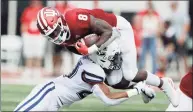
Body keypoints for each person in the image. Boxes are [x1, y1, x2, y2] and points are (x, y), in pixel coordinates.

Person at [36, 7, 179, 107]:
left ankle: (163, 83)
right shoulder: (66, 42)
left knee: (130, 73)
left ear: (60, 20)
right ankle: (141, 86)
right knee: (113, 80)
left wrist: (91, 49)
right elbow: (86, 51)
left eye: (56, 31)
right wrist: (101, 58)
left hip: (118, 29)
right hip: (102, 42)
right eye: (51, 35)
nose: (56, 36)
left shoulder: (75, 18)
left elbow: (109, 31)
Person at [14, 41, 155, 111]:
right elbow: (108, 99)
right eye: (113, 58)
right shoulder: (93, 69)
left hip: (55, 101)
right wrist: (136, 90)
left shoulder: (96, 64)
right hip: (47, 95)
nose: (115, 61)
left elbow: (119, 82)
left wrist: (140, 86)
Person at [21, 0, 46, 78]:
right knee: (29, 53)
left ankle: (37, 70)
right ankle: (28, 69)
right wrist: (24, 34)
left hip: (39, 35)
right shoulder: (27, 10)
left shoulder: (43, 11)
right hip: (29, 34)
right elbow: (24, 22)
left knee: (38, 53)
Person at [138, 1, 163, 74]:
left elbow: (159, 29)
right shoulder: (144, 17)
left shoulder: (156, 18)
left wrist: (157, 31)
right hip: (145, 38)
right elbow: (142, 27)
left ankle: (154, 72)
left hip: (153, 38)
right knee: (142, 56)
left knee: (154, 56)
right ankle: (140, 71)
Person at [52, 1, 76, 77]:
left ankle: (73, 69)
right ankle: (56, 70)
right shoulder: (57, 8)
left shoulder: (71, 8)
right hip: (58, 34)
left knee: (71, 52)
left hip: (69, 34)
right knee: (56, 53)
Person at [169, 1, 190, 74]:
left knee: (184, 56)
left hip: (181, 38)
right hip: (175, 38)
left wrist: (182, 36)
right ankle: (180, 74)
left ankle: (187, 73)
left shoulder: (181, 13)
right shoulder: (173, 14)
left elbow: (187, 24)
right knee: (177, 56)